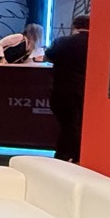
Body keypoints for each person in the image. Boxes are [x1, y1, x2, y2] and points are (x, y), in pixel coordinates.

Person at [44, 13, 90, 162]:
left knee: (66, 124)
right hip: (85, 91)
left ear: (74, 26)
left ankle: (63, 155)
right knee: (81, 124)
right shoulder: (96, 43)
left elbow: (49, 55)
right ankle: (77, 155)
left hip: (61, 89)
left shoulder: (62, 41)